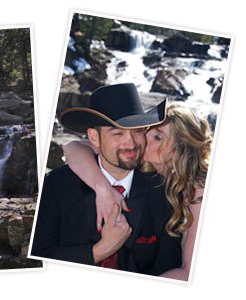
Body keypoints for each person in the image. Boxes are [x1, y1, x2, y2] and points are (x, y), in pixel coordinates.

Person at [30, 83, 182, 275]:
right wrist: (99, 251)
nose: (131, 143)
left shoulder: (165, 191)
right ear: (94, 138)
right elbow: (39, 257)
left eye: (137, 131)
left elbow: (167, 267)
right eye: (118, 133)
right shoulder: (56, 186)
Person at [62, 101, 210, 281]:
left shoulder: (199, 191)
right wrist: (102, 188)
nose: (141, 139)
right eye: (145, 131)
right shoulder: (143, 164)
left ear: (180, 149)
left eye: (158, 137)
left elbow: (189, 274)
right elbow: (72, 147)